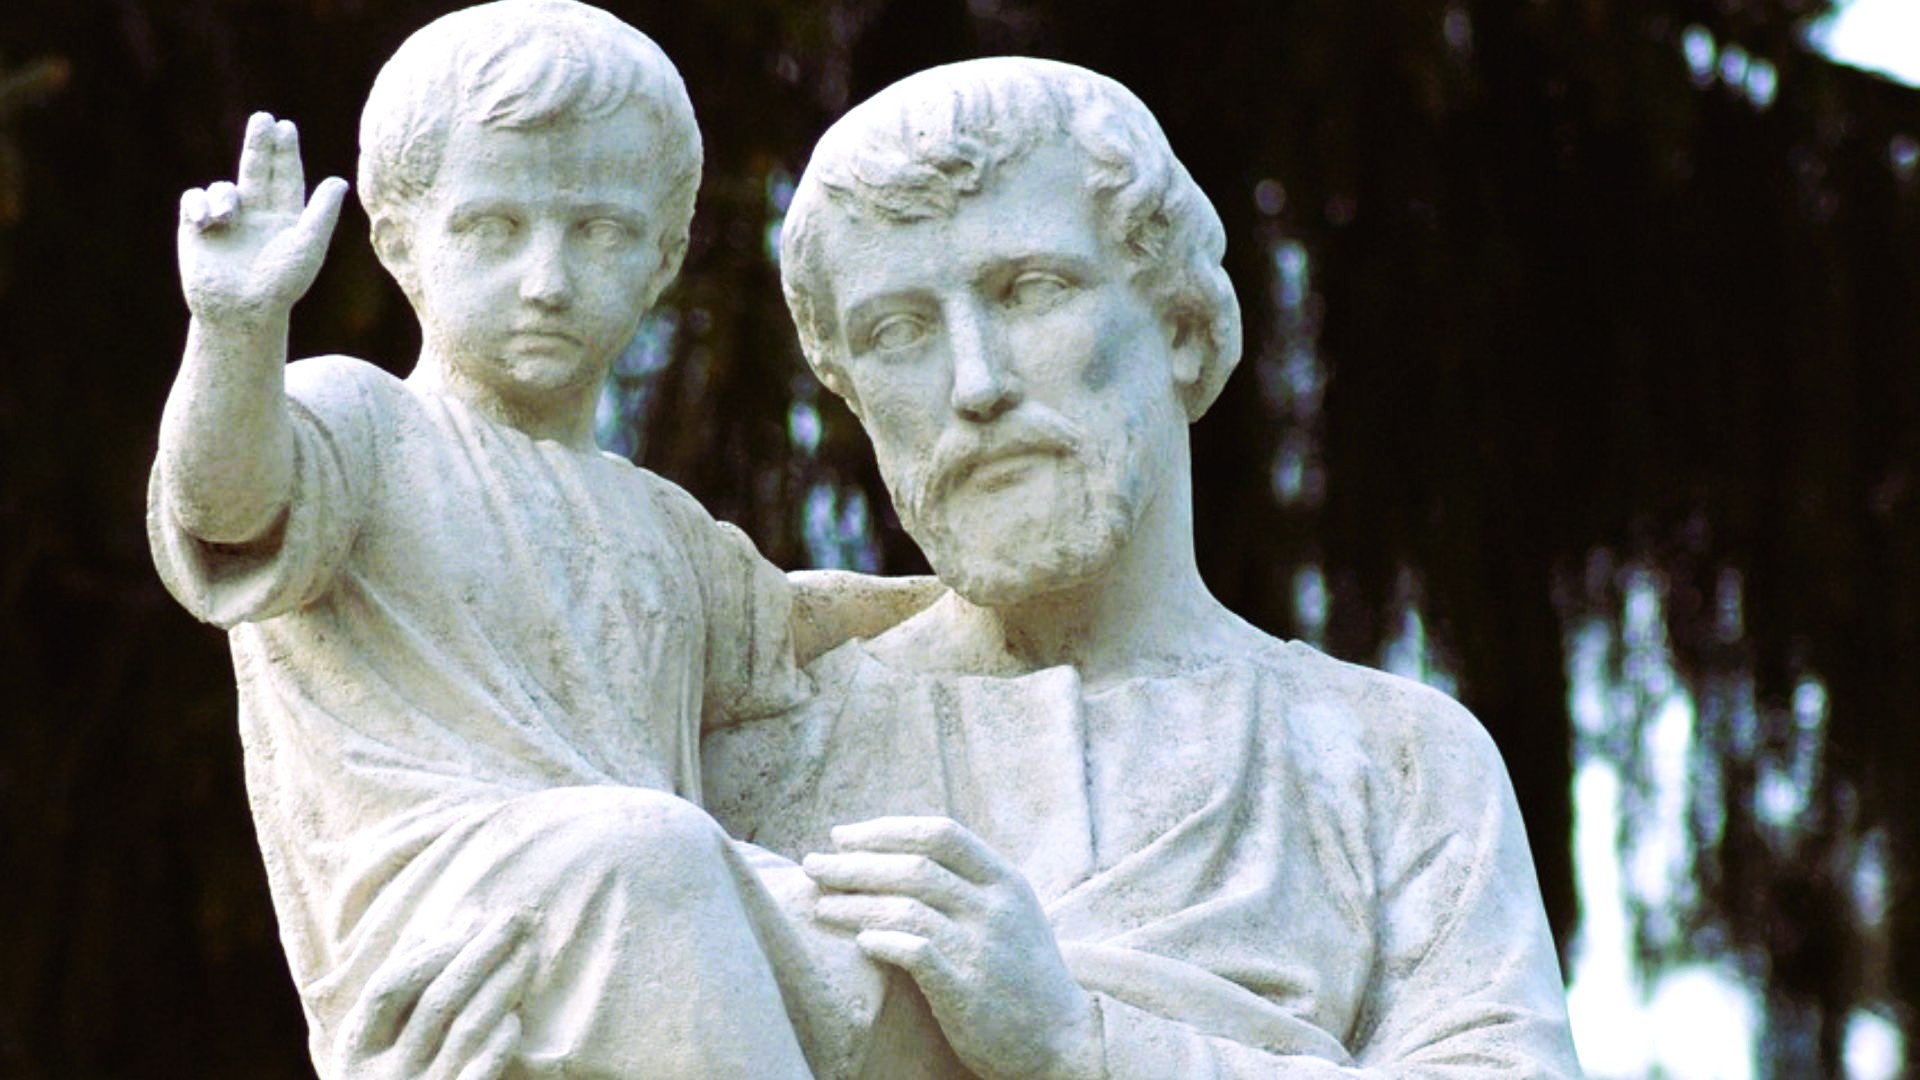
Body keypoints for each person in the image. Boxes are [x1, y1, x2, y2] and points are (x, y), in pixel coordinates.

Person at [348, 56, 1587, 1078]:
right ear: (852, 394)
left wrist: (1076, 1039)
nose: (977, 383)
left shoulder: (1389, 762)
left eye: (1031, 290)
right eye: (899, 332)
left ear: (1184, 325)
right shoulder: (759, 756)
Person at [149, 3, 926, 1076]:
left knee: (900, 958)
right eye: (494, 228)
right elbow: (228, 504)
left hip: (643, 898)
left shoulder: (664, 527)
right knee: (651, 854)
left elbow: (802, 626)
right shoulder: (362, 425)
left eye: (598, 231)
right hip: (450, 924)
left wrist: (989, 596)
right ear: (400, 243)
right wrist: (236, 334)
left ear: (662, 260)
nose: (547, 280)